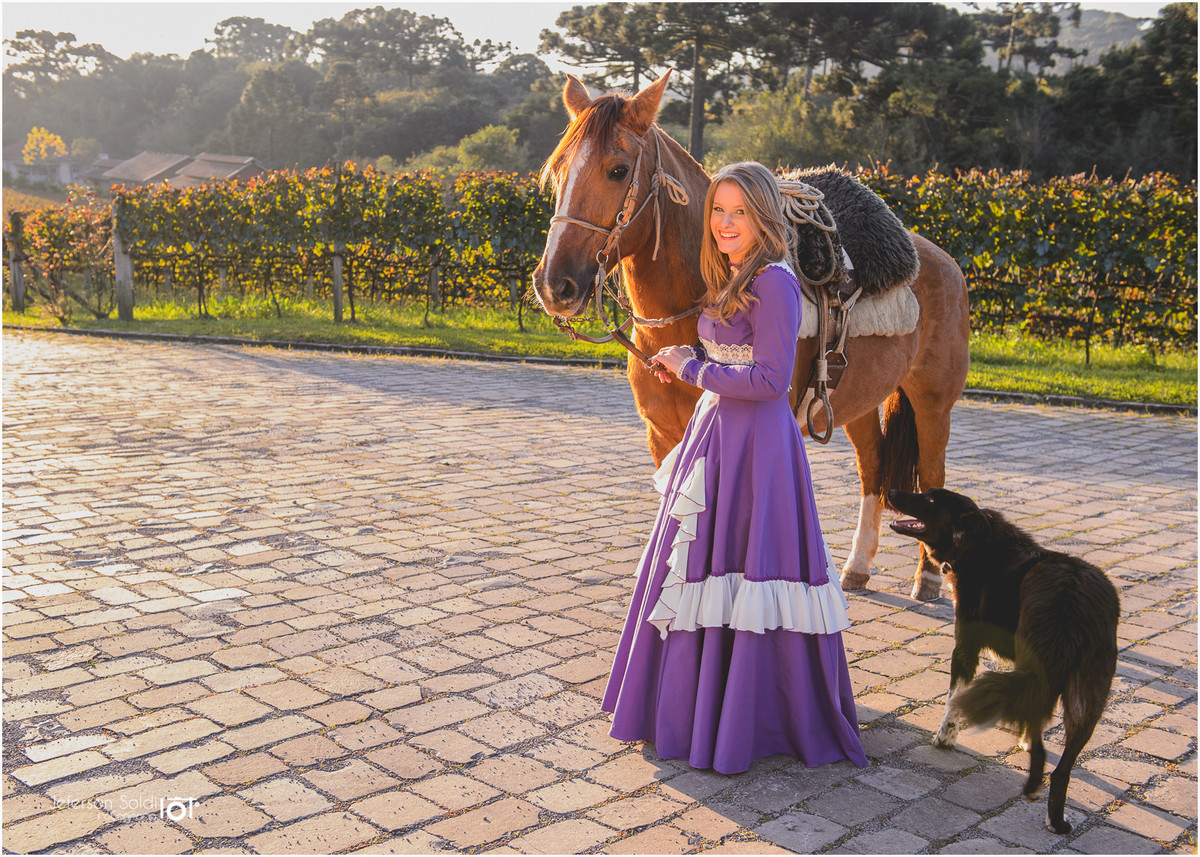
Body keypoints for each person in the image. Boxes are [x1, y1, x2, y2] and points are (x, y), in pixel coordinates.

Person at [601, 161, 868, 774]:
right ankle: (698, 704)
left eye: (739, 213)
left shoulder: (774, 282)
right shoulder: (728, 275)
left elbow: (772, 381)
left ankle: (754, 713)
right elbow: (732, 353)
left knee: (747, 573)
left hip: (759, 447)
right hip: (718, 435)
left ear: (763, 217)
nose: (724, 224)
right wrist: (685, 355)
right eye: (718, 211)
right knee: (697, 566)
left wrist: (693, 371)